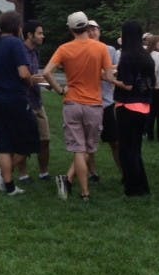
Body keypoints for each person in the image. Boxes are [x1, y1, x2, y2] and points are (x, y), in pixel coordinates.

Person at [42, 11, 116, 202]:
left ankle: (85, 193)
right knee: (89, 149)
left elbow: (47, 72)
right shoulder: (101, 48)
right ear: (86, 27)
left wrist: (60, 90)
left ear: (71, 29)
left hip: (72, 103)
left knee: (78, 149)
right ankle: (79, 189)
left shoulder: (64, 49)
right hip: (94, 105)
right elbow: (109, 76)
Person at [0, 11, 40, 195]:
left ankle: (9, 186)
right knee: (30, 138)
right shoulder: (16, 43)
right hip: (15, 98)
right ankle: (4, 173)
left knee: (4, 142)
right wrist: (31, 81)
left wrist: (0, 80)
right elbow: (23, 73)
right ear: (17, 27)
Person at [113, 21, 155, 197]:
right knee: (136, 149)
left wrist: (109, 79)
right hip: (144, 106)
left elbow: (128, 85)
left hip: (127, 106)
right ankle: (143, 186)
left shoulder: (127, 56)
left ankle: (132, 188)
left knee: (126, 150)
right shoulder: (146, 56)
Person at [14, 19, 51, 183]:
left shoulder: (36, 52)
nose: (43, 36)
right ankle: (23, 174)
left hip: (37, 101)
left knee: (45, 139)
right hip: (23, 102)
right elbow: (19, 76)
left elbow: (35, 76)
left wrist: (46, 83)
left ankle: (44, 172)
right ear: (30, 35)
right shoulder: (19, 51)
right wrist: (33, 80)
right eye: (40, 33)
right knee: (23, 141)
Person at [88, 19, 120, 181]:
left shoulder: (110, 50)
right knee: (90, 143)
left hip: (107, 102)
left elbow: (117, 70)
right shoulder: (83, 49)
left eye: (94, 29)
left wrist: (105, 71)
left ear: (99, 31)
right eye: (88, 29)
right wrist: (105, 71)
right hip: (89, 102)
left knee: (115, 141)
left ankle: (124, 173)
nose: (92, 32)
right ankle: (93, 173)